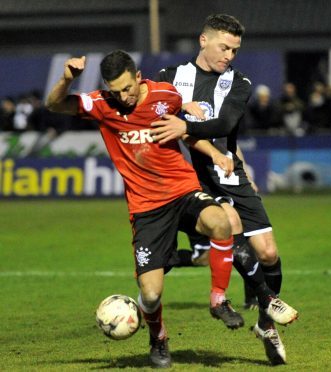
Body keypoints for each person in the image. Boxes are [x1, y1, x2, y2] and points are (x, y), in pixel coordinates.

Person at [45, 50, 245, 368]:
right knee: (150, 296)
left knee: (221, 222)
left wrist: (215, 154)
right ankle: (159, 337)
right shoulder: (102, 104)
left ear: (138, 77)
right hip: (146, 208)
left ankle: (218, 299)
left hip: (182, 191)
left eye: (127, 88)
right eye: (115, 91)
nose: (122, 97)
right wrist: (67, 79)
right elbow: (54, 104)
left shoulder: (166, 95)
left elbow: (184, 132)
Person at [151, 14, 298, 365]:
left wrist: (183, 119)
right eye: (224, 47)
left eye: (235, 49)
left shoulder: (239, 82)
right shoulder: (169, 78)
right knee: (226, 223)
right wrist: (175, 108)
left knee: (269, 253)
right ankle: (244, 300)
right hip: (188, 179)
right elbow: (152, 113)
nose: (230, 55)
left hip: (230, 173)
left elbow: (225, 123)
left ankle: (265, 324)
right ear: (203, 40)